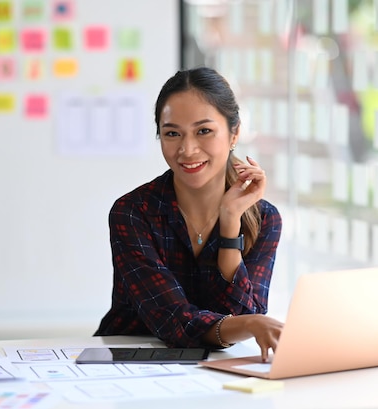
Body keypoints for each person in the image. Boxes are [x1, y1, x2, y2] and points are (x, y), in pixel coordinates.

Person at [94, 67, 283, 360]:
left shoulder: (265, 219)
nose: (187, 149)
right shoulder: (133, 213)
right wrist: (246, 324)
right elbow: (173, 320)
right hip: (131, 363)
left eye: (204, 131)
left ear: (234, 133)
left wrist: (230, 220)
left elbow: (245, 314)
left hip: (217, 369)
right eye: (172, 133)